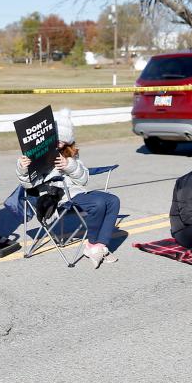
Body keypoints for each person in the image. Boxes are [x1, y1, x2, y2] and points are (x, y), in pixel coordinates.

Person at [16, 108, 121, 269]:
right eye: (57, 138)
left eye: (63, 140)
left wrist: (70, 165)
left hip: (76, 192)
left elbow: (84, 180)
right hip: (55, 197)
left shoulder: (69, 153)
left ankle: (99, 246)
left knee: (113, 200)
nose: (59, 143)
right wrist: (23, 169)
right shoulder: (37, 153)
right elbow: (28, 185)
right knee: (98, 203)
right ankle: (92, 245)